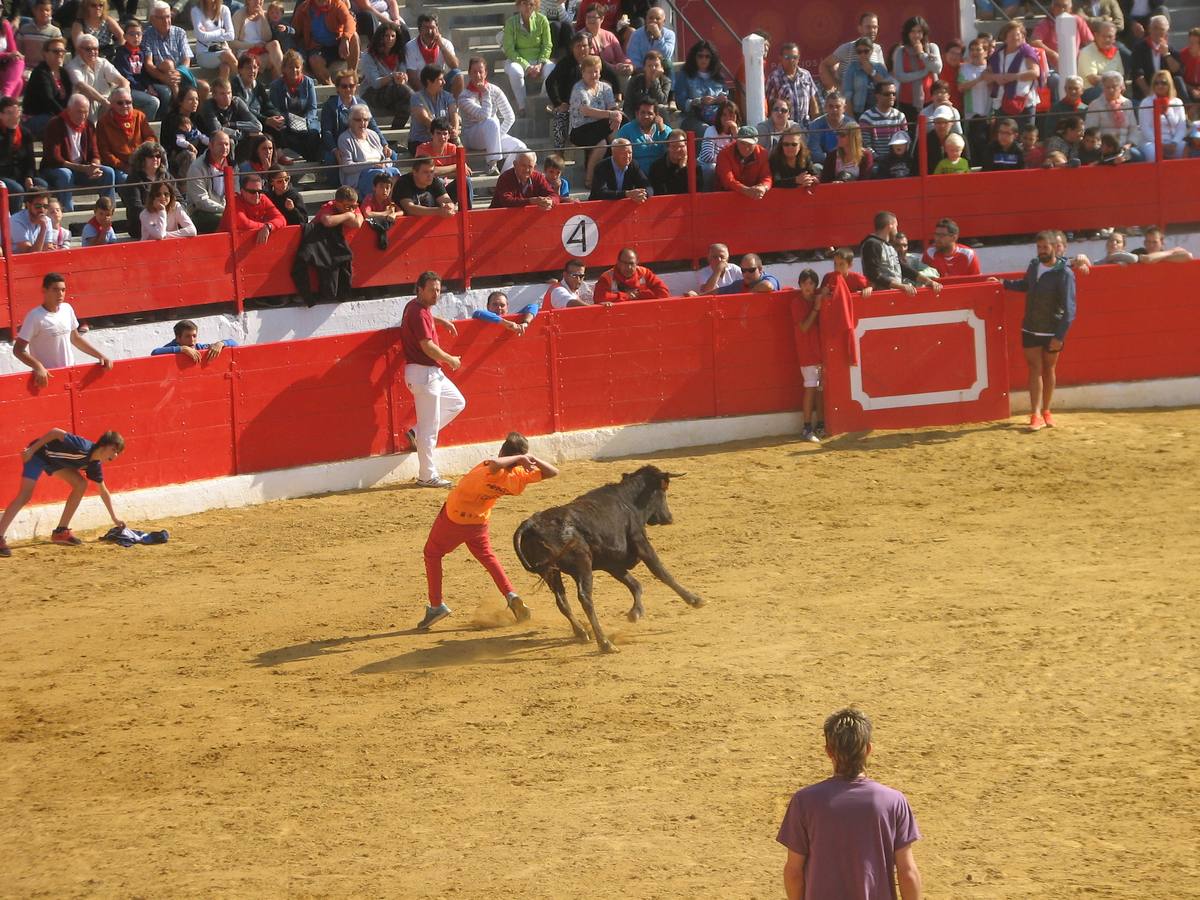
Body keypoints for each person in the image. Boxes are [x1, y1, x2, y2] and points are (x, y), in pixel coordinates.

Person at [416, 431, 558, 631]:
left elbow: (495, 464)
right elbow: (553, 472)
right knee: (488, 557)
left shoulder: (491, 468)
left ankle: (437, 605)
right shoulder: (517, 478)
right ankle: (511, 595)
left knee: (432, 554)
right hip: (479, 522)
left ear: (502, 450)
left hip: (454, 517)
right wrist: (530, 459)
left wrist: (519, 458)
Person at [777, 708, 923, 900]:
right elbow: (907, 873)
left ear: (829, 752)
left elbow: (794, 873)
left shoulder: (804, 801)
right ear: (869, 749)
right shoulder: (893, 801)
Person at [0, 428, 126, 558]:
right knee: (25, 495)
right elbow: (55, 432)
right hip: (37, 454)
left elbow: (103, 491)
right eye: (114, 450)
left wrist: (114, 518)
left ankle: (61, 531)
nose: (115, 455)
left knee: (81, 484)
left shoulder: (94, 465)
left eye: (117, 452)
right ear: (103, 445)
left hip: (54, 462)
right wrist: (31, 450)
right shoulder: (83, 446)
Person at [998, 231, 1076, 431]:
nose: (1041, 251)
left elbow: (1070, 309)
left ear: (1054, 247)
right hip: (1031, 327)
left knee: (1049, 369)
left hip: (1051, 330)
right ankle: (1035, 414)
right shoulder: (1034, 266)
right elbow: (1026, 285)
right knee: (1034, 368)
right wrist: (1003, 284)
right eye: (1038, 247)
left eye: (1045, 247)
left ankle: (1047, 410)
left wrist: (1060, 336)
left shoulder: (1064, 273)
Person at [400, 270, 465, 489]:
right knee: (430, 427)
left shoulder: (415, 307)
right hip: (424, 373)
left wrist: (440, 320)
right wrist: (450, 359)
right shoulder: (419, 313)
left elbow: (422, 316)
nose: (436, 294)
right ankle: (427, 475)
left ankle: (415, 433)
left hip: (428, 373)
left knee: (457, 402)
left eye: (438, 290)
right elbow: (427, 346)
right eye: (432, 290)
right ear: (420, 289)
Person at [14, 273, 113, 387]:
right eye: (55, 290)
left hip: (71, 372)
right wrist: (38, 366)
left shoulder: (67, 309)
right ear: (44, 290)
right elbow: (18, 350)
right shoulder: (34, 316)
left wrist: (100, 356)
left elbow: (75, 338)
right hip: (48, 376)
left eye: (63, 290)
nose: (60, 294)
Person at [40, 94, 118, 212]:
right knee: (65, 174)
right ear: (69, 110)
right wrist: (83, 168)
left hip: (81, 169)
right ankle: (67, 212)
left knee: (108, 172)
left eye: (86, 112)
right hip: (56, 169)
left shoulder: (89, 125)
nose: (83, 116)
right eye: (79, 112)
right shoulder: (55, 124)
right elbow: (55, 158)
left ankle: (107, 211)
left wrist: (94, 166)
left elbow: (95, 152)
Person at [293, 185, 363, 305]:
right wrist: (348, 215)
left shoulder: (350, 206)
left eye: (354, 206)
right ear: (338, 203)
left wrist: (348, 213)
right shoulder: (329, 207)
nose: (352, 209)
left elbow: (358, 223)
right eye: (348, 206)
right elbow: (327, 221)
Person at [459, 55, 527, 174]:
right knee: (491, 121)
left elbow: (510, 116)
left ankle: (504, 177)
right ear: (469, 73)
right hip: (471, 136)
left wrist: (496, 137)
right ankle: (492, 164)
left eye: (480, 72)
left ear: (486, 73)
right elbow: (484, 116)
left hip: (492, 133)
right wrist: (485, 93)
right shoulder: (464, 96)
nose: (478, 75)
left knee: (521, 147)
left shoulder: (495, 90)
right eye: (474, 72)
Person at [570, 53, 622, 185]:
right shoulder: (579, 89)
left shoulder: (606, 87)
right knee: (606, 140)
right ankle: (589, 178)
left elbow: (612, 106)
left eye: (596, 71)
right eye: (589, 72)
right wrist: (611, 115)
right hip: (580, 129)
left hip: (600, 126)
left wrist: (616, 115)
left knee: (606, 142)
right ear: (583, 73)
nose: (593, 75)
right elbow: (586, 111)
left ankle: (618, 172)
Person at [861, 211, 941, 295]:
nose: (896, 230)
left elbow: (903, 268)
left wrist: (928, 281)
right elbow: (874, 275)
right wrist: (901, 286)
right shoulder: (872, 244)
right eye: (896, 226)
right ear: (890, 225)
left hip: (891, 294)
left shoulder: (888, 245)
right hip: (882, 295)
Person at [791, 269, 826, 444]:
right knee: (812, 389)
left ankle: (820, 424)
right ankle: (806, 427)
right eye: (805, 283)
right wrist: (817, 308)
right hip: (808, 353)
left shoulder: (816, 299)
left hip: (820, 353)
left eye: (811, 283)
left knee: (820, 391)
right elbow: (804, 328)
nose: (807, 286)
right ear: (800, 285)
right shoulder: (797, 303)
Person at [268, 50, 322, 162]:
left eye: (297, 67)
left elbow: (312, 107)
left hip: (307, 121)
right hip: (287, 122)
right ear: (284, 69)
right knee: (282, 133)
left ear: (301, 68)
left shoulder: (308, 82)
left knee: (313, 133)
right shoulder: (276, 86)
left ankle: (313, 161)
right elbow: (276, 110)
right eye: (290, 67)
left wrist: (306, 121)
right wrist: (290, 120)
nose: (294, 70)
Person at [502, 0, 553, 116]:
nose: (528, 7)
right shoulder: (511, 23)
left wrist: (540, 63)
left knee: (552, 70)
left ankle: (540, 102)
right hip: (518, 60)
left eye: (531, 4)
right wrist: (526, 66)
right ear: (519, 5)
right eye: (525, 3)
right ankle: (522, 106)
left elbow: (547, 45)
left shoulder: (542, 20)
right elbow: (509, 49)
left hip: (539, 60)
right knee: (515, 71)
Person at [337, 102, 399, 196]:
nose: (362, 123)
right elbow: (347, 167)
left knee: (395, 172)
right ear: (350, 121)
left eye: (365, 120)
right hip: (359, 176)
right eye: (358, 120)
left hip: (381, 171)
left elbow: (386, 159)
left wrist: (386, 164)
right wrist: (372, 165)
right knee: (379, 174)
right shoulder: (345, 139)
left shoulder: (373, 135)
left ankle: (392, 200)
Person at [1086, 70, 1149, 162]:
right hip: (1104, 149)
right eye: (1107, 87)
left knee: (1138, 156)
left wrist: (1129, 144)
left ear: (1121, 87)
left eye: (1114, 87)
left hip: (1124, 147)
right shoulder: (1095, 105)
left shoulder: (1127, 103)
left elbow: (1133, 129)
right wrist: (1104, 146)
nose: (1111, 90)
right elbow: (1091, 131)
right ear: (1103, 88)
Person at [66, 33, 129, 124]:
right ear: (79, 50)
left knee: (124, 102)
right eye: (88, 49)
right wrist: (105, 102)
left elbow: (123, 81)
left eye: (95, 49)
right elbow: (82, 86)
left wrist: (123, 98)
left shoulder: (103, 62)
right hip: (87, 105)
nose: (92, 52)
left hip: (108, 102)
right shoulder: (72, 66)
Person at [357, 22, 411, 129]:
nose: (390, 39)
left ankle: (395, 132)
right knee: (409, 95)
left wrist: (403, 78)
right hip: (371, 93)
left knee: (407, 103)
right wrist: (392, 76)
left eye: (393, 36)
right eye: (386, 35)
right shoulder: (369, 56)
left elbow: (403, 76)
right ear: (380, 37)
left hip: (394, 92)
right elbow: (376, 83)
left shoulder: (400, 54)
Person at [986, 21, 1041, 125]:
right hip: (1001, 103)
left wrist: (1013, 77)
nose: (1015, 38)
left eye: (1018, 35)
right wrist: (996, 77)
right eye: (1012, 35)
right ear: (1005, 37)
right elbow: (985, 75)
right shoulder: (998, 55)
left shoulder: (1027, 52)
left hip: (1023, 103)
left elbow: (1035, 73)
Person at [0, 99, 49, 213]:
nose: (14, 116)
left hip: (21, 175)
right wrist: (10, 132)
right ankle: (15, 219)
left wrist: (29, 176)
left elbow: (30, 161)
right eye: (9, 113)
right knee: (17, 189)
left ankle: (36, 215)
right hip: (4, 175)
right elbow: (4, 158)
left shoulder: (25, 133)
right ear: (1, 115)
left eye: (16, 112)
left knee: (42, 185)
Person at [291, 0, 357, 85]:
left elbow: (350, 21)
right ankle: (330, 87)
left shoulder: (337, 4)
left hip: (338, 43)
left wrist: (345, 39)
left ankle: (352, 76)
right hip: (317, 47)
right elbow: (294, 30)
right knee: (314, 60)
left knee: (354, 36)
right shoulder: (304, 8)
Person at [674, 39, 728, 136]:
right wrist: (700, 101)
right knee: (707, 131)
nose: (704, 59)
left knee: (730, 126)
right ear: (694, 57)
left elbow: (726, 96)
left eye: (707, 57)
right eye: (700, 56)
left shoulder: (718, 76)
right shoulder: (685, 75)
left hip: (717, 115)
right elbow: (680, 103)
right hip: (692, 117)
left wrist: (721, 99)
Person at [142, 2, 197, 97]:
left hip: (179, 74)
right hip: (158, 76)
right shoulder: (147, 35)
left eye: (168, 17)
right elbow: (149, 64)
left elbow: (186, 58)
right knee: (168, 64)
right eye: (162, 18)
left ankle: (192, 110)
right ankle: (178, 107)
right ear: (153, 19)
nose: (166, 21)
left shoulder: (180, 33)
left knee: (204, 87)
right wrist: (164, 77)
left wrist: (178, 74)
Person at [97, 87, 155, 177]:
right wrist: (123, 166)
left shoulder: (140, 116)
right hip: (119, 167)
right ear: (112, 104)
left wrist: (143, 152)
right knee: (125, 179)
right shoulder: (103, 122)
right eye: (120, 103)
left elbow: (151, 137)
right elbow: (105, 152)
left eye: (128, 102)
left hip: (141, 162)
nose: (125, 106)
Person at [820, 11, 885, 91]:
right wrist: (838, 86)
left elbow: (883, 79)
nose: (872, 30)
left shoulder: (877, 49)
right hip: (849, 101)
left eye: (875, 27)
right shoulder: (847, 48)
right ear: (860, 29)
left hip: (871, 101)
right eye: (868, 27)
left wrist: (871, 72)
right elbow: (824, 65)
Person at [892, 15, 942, 117]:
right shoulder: (900, 51)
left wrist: (922, 54)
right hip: (907, 101)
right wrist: (924, 72)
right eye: (912, 31)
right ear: (907, 33)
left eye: (919, 32)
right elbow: (900, 76)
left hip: (930, 99)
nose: (916, 35)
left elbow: (937, 68)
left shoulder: (932, 48)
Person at [186, 129, 234, 233]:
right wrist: (225, 209)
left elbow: (236, 192)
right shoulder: (197, 167)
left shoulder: (232, 165)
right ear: (210, 146)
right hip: (200, 212)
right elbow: (200, 201)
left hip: (226, 209)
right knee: (227, 220)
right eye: (220, 144)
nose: (225, 148)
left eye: (227, 144)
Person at [23, 36, 72, 138]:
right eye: (56, 51)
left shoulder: (64, 73)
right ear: (45, 53)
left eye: (63, 51)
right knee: (59, 122)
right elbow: (48, 100)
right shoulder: (40, 72)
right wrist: (66, 116)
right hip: (36, 118)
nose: (60, 54)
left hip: (55, 115)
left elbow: (69, 97)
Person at [199, 77, 262, 152]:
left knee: (260, 136)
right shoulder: (209, 106)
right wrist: (245, 135)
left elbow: (257, 126)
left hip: (237, 138)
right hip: (214, 143)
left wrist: (233, 124)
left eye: (229, 93)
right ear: (214, 95)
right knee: (229, 141)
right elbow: (218, 130)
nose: (227, 97)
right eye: (222, 94)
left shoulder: (237, 102)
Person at [1130, 14, 1184, 101]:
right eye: (1155, 28)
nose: (1158, 32)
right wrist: (1150, 95)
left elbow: (1177, 71)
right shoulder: (1139, 48)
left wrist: (1166, 54)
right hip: (1145, 93)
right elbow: (1137, 74)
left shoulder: (1170, 49)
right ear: (1149, 29)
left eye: (1162, 29)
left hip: (1167, 92)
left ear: (1167, 31)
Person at [409, 64, 459, 156]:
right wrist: (446, 129)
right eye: (440, 79)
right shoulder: (416, 98)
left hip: (444, 139)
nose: (444, 82)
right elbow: (424, 119)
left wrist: (454, 130)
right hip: (421, 141)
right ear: (429, 81)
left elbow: (454, 113)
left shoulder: (447, 96)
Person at [405, 12, 461, 96]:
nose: (430, 31)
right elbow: (412, 77)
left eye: (432, 27)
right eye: (426, 28)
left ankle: (453, 105)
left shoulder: (445, 43)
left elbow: (454, 65)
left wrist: (441, 45)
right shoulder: (410, 46)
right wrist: (429, 96)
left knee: (458, 74)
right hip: (422, 85)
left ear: (437, 29)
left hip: (441, 82)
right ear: (419, 30)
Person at [767, 43, 819, 127]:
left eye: (794, 57)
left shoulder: (806, 75)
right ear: (780, 58)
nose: (791, 60)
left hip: (805, 127)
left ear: (798, 58)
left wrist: (816, 124)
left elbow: (813, 101)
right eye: (787, 57)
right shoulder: (774, 77)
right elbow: (770, 105)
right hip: (784, 128)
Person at [1138, 70, 1187, 159]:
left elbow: (1181, 127)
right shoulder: (1146, 102)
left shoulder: (1177, 102)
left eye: (1163, 83)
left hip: (1172, 141)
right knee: (1152, 152)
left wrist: (1174, 142)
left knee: (1184, 147)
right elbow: (1145, 128)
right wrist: (1160, 144)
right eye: (1156, 83)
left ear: (1169, 84)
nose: (1160, 86)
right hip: (1151, 141)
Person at [593, 247, 670, 303]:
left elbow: (663, 292)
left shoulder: (645, 273)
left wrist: (638, 295)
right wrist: (627, 296)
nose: (628, 267)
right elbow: (599, 298)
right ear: (618, 263)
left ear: (637, 263)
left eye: (631, 263)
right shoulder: (607, 277)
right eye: (625, 263)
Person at [233, 0, 286, 79]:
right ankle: (285, 82)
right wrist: (253, 45)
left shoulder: (264, 14)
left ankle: (282, 84)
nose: (258, 1)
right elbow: (232, 42)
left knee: (275, 44)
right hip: (246, 53)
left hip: (262, 51)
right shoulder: (239, 15)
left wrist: (263, 18)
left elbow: (267, 37)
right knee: (276, 61)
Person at [227, 170, 287, 240]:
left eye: (260, 191)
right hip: (224, 245)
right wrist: (264, 226)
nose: (257, 195)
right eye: (252, 192)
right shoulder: (235, 201)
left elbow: (281, 219)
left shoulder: (263, 198)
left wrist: (269, 226)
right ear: (242, 192)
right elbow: (244, 224)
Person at [588, 136, 650, 202]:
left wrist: (642, 194)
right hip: (600, 207)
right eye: (624, 153)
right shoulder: (601, 167)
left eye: (630, 153)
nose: (627, 156)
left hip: (624, 206)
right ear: (614, 154)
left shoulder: (633, 165)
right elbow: (601, 193)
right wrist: (626, 194)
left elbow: (648, 186)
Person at [490, 149, 559, 209]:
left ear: (534, 167)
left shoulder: (538, 177)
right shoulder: (505, 177)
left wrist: (550, 201)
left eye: (530, 166)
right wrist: (531, 201)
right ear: (515, 164)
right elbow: (506, 201)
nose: (527, 169)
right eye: (523, 165)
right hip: (499, 218)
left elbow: (554, 195)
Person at [842, 37, 892, 117]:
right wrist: (851, 117)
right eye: (859, 52)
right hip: (858, 111)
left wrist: (872, 72)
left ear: (871, 51)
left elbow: (888, 87)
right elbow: (847, 94)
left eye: (866, 51)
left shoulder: (879, 67)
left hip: (878, 111)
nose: (863, 55)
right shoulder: (852, 68)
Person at [391, 155, 456, 217]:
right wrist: (439, 211)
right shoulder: (403, 183)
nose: (430, 176)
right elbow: (410, 209)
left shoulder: (434, 181)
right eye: (425, 172)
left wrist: (449, 207)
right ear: (415, 172)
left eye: (432, 172)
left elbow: (446, 200)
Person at [716, 125, 771, 197]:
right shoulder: (724, 153)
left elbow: (766, 176)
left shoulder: (763, 154)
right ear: (737, 141)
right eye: (742, 143)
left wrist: (763, 187)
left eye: (750, 144)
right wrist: (746, 190)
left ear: (756, 143)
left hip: (754, 196)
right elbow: (727, 180)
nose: (746, 148)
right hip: (726, 197)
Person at [616, 98, 670, 171]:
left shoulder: (665, 130)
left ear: (656, 115)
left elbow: (670, 153)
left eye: (650, 113)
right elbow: (618, 156)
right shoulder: (626, 130)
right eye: (643, 113)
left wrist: (662, 132)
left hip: (660, 173)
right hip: (635, 173)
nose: (646, 116)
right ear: (637, 114)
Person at [191, 0, 239, 81]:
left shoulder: (224, 9)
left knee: (225, 67)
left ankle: (222, 90)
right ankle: (240, 85)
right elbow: (201, 36)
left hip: (221, 49)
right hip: (204, 53)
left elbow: (231, 35)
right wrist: (220, 31)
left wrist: (208, 34)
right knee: (227, 55)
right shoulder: (196, 11)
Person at [858, 81, 906, 160]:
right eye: (887, 94)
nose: (891, 97)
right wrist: (879, 159)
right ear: (877, 96)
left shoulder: (900, 116)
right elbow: (866, 145)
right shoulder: (866, 118)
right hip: (876, 162)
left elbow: (904, 141)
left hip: (896, 160)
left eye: (894, 94)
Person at [622, 49, 672, 123]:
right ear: (644, 68)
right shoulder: (635, 80)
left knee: (662, 110)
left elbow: (661, 100)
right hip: (637, 116)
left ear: (661, 68)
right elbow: (627, 105)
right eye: (649, 66)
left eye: (656, 66)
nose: (653, 68)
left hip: (655, 116)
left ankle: (665, 134)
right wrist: (634, 122)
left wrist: (655, 80)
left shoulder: (666, 81)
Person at [151, 319, 238, 360]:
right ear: (178, 338)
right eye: (187, 336)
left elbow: (235, 344)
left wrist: (222, 343)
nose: (192, 340)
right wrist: (182, 349)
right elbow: (155, 353)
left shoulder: (199, 347)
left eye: (194, 336)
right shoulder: (174, 347)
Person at [626, 5, 674, 73]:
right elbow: (633, 57)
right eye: (651, 18)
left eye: (657, 19)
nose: (654, 21)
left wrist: (658, 37)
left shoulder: (670, 34)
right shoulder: (636, 34)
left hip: (661, 70)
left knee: (669, 64)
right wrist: (647, 71)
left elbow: (666, 55)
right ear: (646, 19)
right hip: (642, 70)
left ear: (664, 21)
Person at [768, 127, 818, 191]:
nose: (790, 147)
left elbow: (813, 174)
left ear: (800, 146)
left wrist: (812, 179)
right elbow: (775, 183)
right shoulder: (774, 160)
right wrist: (796, 180)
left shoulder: (805, 157)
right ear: (781, 146)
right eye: (786, 144)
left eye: (794, 144)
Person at [807, 91, 848, 166]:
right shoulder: (815, 125)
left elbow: (856, 150)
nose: (834, 110)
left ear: (844, 108)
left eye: (837, 106)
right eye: (831, 106)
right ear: (825, 107)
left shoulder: (851, 125)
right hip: (824, 164)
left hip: (847, 163)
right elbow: (815, 154)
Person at [470, 290, 538, 335]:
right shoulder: (483, 317)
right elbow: (477, 313)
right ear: (488, 306)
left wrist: (525, 323)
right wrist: (505, 323)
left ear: (507, 307)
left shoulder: (514, 322)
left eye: (502, 305)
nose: (499, 308)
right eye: (495, 304)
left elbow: (533, 306)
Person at [649, 128, 694, 195]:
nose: (677, 149)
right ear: (668, 147)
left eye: (681, 146)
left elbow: (695, 190)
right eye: (673, 146)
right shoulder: (657, 167)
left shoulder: (695, 166)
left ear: (686, 146)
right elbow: (658, 192)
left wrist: (683, 168)